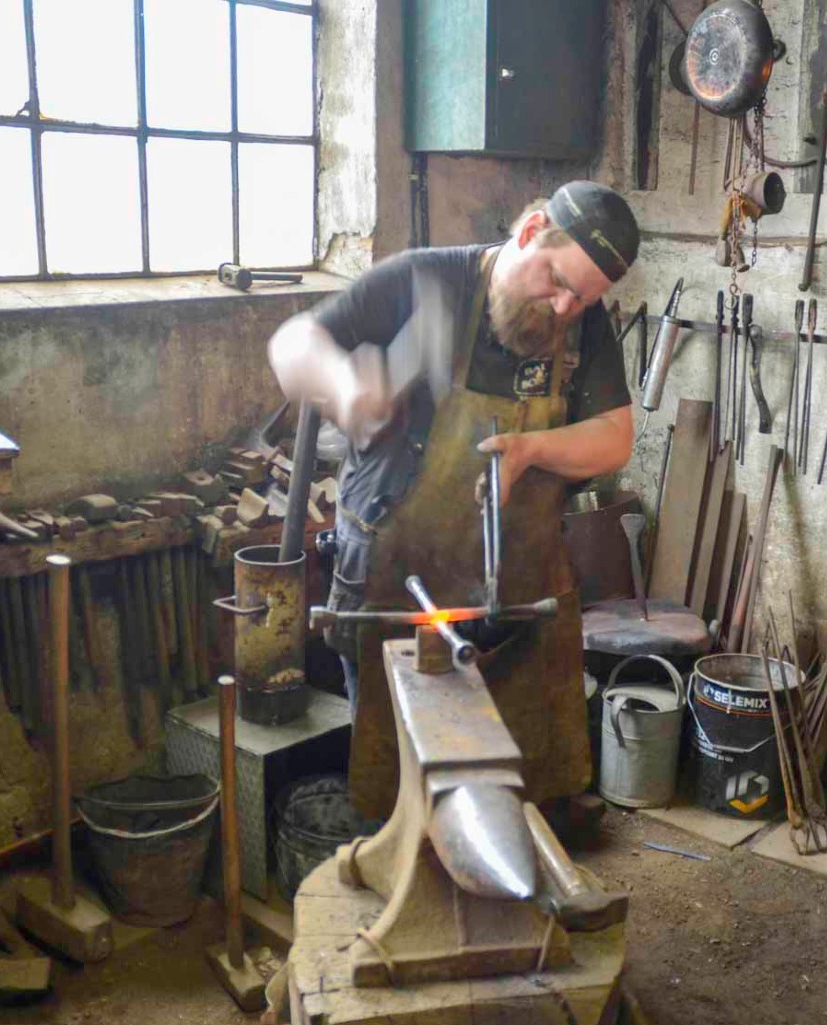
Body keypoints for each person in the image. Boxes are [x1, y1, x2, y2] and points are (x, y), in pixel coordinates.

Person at [267, 180, 640, 817]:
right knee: (401, 787)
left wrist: (530, 449)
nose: (563, 307)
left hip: (511, 594)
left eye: (581, 298)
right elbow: (292, 345)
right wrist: (346, 388)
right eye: (556, 281)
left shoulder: (581, 323)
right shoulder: (428, 279)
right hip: (394, 580)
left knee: (513, 793)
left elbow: (615, 439)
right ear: (530, 232)